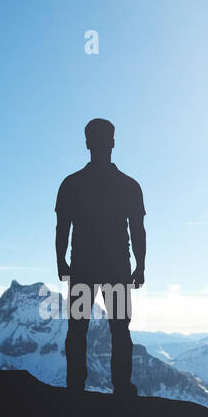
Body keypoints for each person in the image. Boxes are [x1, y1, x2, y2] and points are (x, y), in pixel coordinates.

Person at [54, 118, 145, 395]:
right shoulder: (129, 185)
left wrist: (61, 260)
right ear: (113, 142)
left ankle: (75, 388)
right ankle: (121, 388)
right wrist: (140, 265)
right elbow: (137, 230)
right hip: (116, 266)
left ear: (87, 143)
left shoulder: (71, 184)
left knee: (78, 330)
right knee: (119, 329)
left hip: (83, 266)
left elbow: (62, 228)